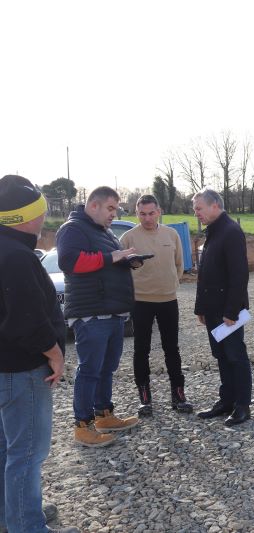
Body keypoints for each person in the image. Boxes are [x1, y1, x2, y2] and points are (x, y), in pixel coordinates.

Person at [0, 175, 79, 533]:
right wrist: (56, 354)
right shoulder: (17, 256)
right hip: (22, 369)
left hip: (6, 367)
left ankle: (11, 514)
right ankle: (26, 525)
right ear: (28, 215)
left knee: (8, 449)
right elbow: (26, 321)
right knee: (27, 455)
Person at [57, 186, 140, 448]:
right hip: (91, 314)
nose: (114, 214)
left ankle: (104, 414)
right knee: (90, 370)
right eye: (111, 208)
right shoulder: (73, 229)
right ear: (94, 205)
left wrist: (126, 260)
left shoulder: (103, 232)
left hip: (111, 311)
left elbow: (107, 261)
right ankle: (83, 425)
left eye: (116, 209)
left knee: (106, 367)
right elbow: (69, 262)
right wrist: (111, 257)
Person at [120, 195, 193, 416]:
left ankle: (178, 396)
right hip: (141, 302)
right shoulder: (128, 238)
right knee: (141, 350)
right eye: (142, 214)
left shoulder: (171, 235)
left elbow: (179, 264)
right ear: (136, 213)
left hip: (168, 300)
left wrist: (170, 284)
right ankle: (144, 399)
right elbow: (121, 271)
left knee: (172, 349)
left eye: (151, 213)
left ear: (159, 211)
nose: (147, 218)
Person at [193, 188, 252, 427]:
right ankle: (226, 401)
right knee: (221, 356)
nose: (196, 213)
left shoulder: (231, 232)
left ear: (215, 205)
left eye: (199, 208)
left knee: (236, 356)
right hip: (213, 309)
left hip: (228, 311)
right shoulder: (213, 233)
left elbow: (239, 276)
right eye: (195, 209)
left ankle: (242, 406)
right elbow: (204, 275)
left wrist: (231, 312)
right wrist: (201, 308)